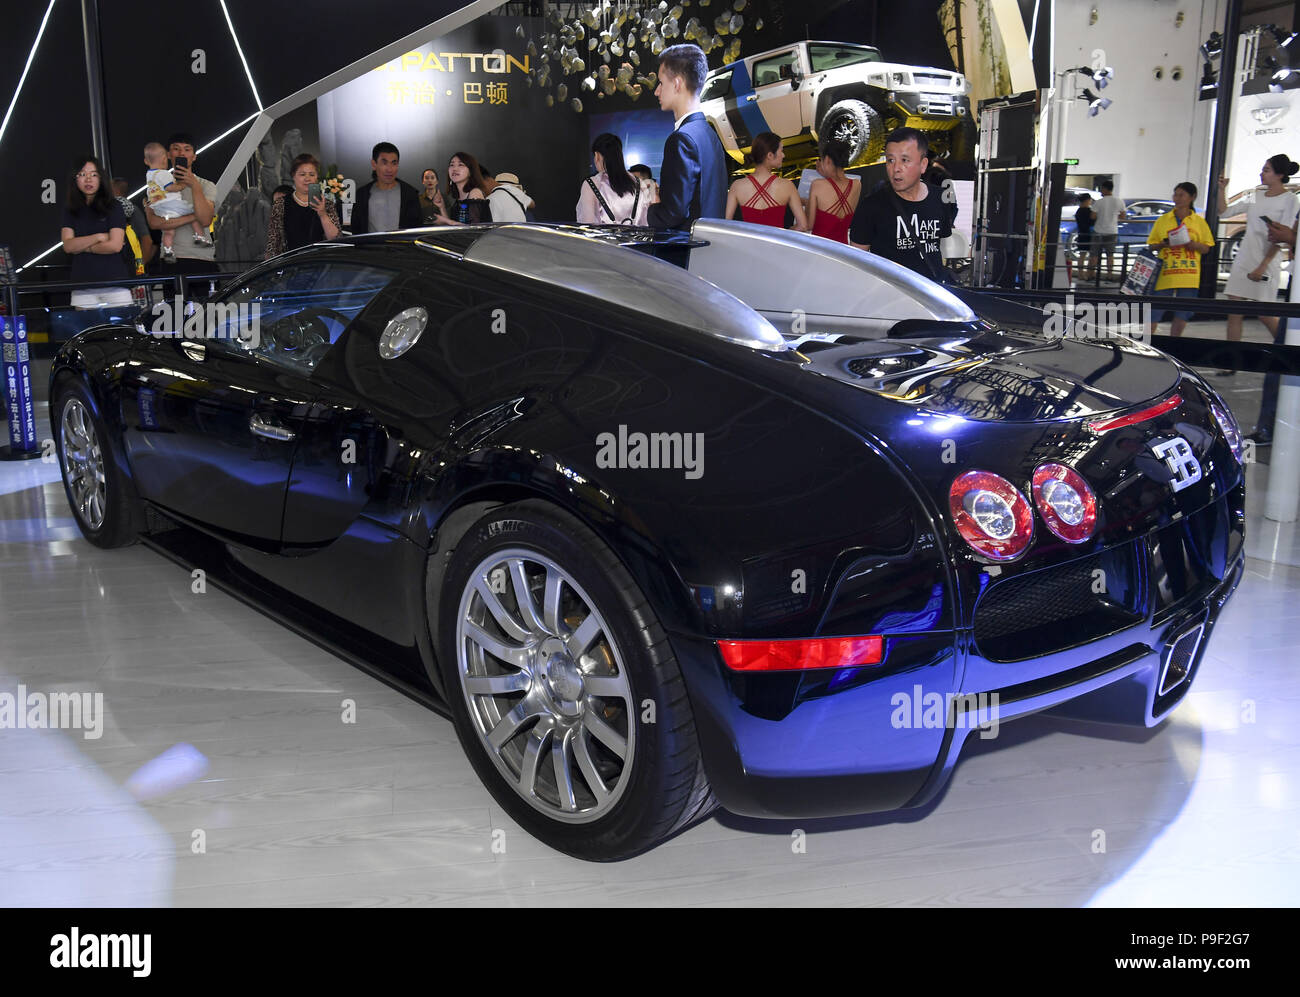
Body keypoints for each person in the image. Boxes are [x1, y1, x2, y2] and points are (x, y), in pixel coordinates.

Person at [1219, 155, 1300, 372]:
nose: (1261, 173)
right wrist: (1221, 190)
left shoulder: (1290, 199)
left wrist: (1263, 265)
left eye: (1266, 169)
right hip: (1245, 257)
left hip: (1268, 259)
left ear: (1280, 175)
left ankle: (1291, 353)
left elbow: (1283, 234)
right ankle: (1231, 362)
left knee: (1264, 313)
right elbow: (1225, 211)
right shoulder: (1257, 194)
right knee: (1234, 310)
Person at [849, 127, 951, 278]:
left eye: (905, 160)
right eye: (890, 160)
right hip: (891, 296)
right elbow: (857, 261)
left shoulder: (940, 197)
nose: (896, 168)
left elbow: (940, 244)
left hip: (931, 292)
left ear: (923, 165)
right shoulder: (872, 205)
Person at [647, 43, 727, 229]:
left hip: (685, 253)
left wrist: (651, 207)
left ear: (676, 84)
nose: (656, 91)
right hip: (710, 248)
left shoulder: (681, 139)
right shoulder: (711, 134)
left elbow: (673, 215)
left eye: (661, 83)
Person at [60, 157, 132, 309]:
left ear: (101, 178)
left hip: (115, 283)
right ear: (75, 179)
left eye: (93, 174)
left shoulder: (114, 206)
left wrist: (83, 247)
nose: (88, 179)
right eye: (82, 174)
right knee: (86, 331)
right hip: (82, 287)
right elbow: (67, 246)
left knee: (121, 331)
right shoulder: (70, 209)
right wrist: (98, 237)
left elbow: (115, 246)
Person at [1146, 181, 1215, 338]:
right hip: (1165, 273)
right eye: (1175, 194)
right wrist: (1164, 244)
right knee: (1154, 311)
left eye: (1181, 194)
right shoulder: (1163, 220)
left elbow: (1207, 248)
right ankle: (1148, 344)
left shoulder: (1199, 222)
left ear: (1192, 197)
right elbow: (1151, 246)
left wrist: (1192, 244)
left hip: (1189, 275)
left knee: (1183, 312)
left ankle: (1174, 343)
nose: (1177, 198)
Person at [142, 133, 217, 275]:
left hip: (202, 259)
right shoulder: (156, 183)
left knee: (204, 298)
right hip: (171, 260)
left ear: (194, 156)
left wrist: (194, 185)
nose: (181, 153)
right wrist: (193, 216)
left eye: (187, 149)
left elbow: (205, 220)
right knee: (176, 298)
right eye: (176, 149)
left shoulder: (206, 185)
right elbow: (154, 223)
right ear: (168, 155)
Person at [1255, 216, 1300, 442]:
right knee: (1279, 362)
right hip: (1294, 295)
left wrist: (1291, 237)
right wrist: (1290, 238)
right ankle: (1269, 427)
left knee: (1281, 362)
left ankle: (1269, 428)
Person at [725, 131, 807, 230]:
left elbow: (727, 226)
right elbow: (803, 226)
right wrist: (783, 234)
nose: (783, 155)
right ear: (770, 155)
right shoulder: (787, 185)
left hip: (748, 245)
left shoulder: (737, 186)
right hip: (776, 244)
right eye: (781, 151)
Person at [264, 154, 341, 259]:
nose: (307, 179)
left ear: (317, 177)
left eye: (312, 174)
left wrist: (322, 214)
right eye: (302, 174)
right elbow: (273, 243)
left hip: (321, 264)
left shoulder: (326, 203)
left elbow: (335, 239)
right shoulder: (281, 204)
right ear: (293, 176)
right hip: (290, 265)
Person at [577, 133, 651, 225]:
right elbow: (646, 220)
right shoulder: (640, 184)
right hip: (637, 239)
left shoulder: (592, 184)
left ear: (597, 156)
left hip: (603, 239)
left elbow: (586, 225)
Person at [351, 141, 422, 233]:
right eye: (384, 163)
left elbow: (417, 229)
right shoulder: (361, 196)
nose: (389, 169)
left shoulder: (410, 194)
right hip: (370, 247)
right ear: (374, 164)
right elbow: (356, 230)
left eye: (394, 163)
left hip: (402, 247)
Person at [806, 138, 859, 242]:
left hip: (820, 249)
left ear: (827, 160)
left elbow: (809, 224)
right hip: (842, 249)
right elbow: (836, 186)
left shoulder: (817, 185)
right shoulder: (857, 184)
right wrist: (826, 175)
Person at [111, 176, 154, 272]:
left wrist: (139, 269)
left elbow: (146, 240)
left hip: (120, 265)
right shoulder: (134, 210)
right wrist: (140, 268)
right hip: (129, 264)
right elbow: (147, 241)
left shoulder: (131, 211)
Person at [441, 152, 492, 225]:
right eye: (451, 165)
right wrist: (441, 207)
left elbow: (473, 229)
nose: (454, 169)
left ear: (471, 171)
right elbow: (455, 229)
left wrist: (448, 221)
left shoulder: (475, 193)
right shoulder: (458, 198)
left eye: (460, 165)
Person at [1092, 179, 1127, 279]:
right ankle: (1109, 275)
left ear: (1104, 189)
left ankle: (1091, 274)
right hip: (1112, 231)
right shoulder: (1119, 201)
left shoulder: (1099, 202)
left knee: (1094, 255)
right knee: (1110, 255)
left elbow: (1093, 216)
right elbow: (1123, 216)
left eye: (1101, 189)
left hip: (1098, 231)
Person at [1074, 192, 1096, 281]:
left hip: (1081, 234)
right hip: (1090, 235)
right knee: (1092, 255)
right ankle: (1089, 274)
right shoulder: (1089, 211)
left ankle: (1080, 274)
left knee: (1082, 255)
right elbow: (1092, 222)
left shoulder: (1078, 211)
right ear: (1087, 200)